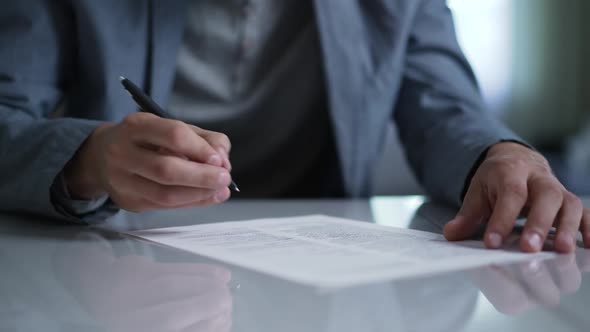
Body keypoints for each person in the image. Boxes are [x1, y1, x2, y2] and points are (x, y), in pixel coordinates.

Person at [0, 0, 587, 253]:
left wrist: (502, 154)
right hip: (113, 261)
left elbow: (447, 106)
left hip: (324, 268)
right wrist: (90, 159)